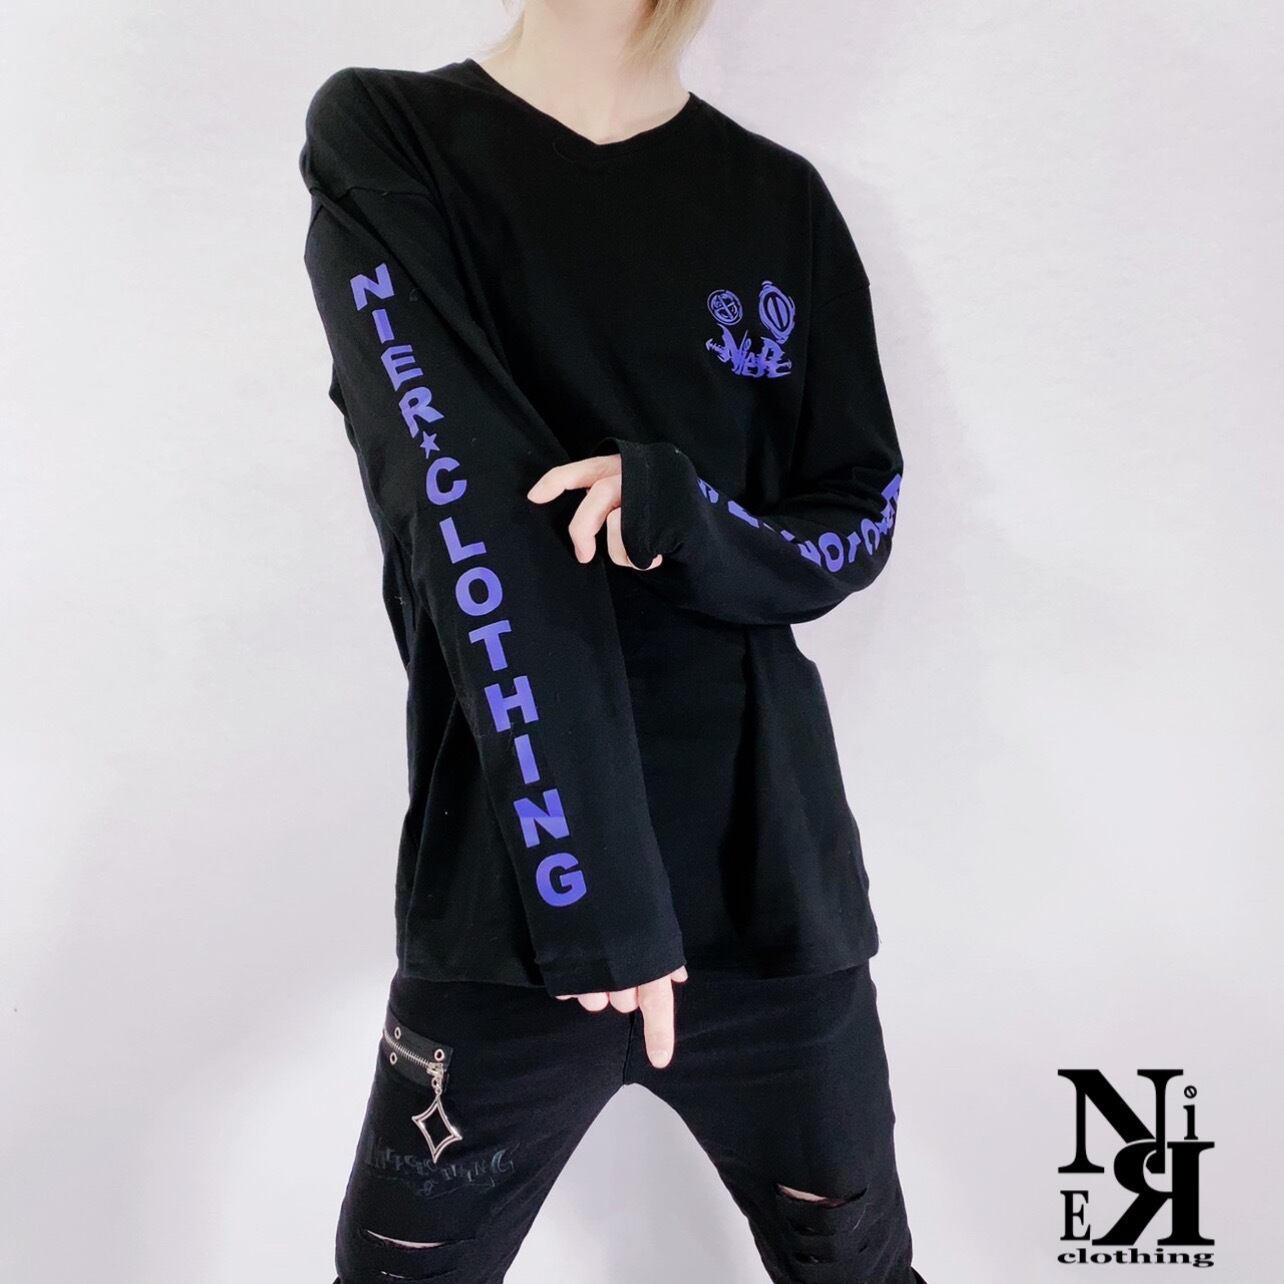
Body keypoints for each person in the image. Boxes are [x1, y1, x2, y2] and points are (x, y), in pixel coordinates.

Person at [297, 1, 925, 1280]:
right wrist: (595, 893)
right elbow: (465, 508)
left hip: (769, 887)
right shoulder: (388, 135)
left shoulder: (781, 202)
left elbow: (857, 517)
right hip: (521, 889)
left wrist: (690, 517)